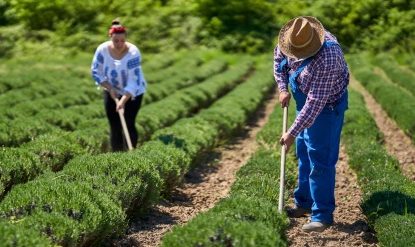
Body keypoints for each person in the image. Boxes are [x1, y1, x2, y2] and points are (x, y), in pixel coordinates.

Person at [274, 16, 349, 232]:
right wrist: (282, 88)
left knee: (320, 159)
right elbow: (278, 63)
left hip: (326, 107)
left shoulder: (329, 56)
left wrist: (291, 132)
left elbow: (315, 103)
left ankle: (322, 215)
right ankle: (303, 203)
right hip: (303, 99)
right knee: (304, 153)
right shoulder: (290, 40)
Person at [91, 19, 146, 151]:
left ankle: (131, 154)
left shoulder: (133, 52)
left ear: (125, 39)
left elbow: (134, 80)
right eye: (116, 41)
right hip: (111, 90)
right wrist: (109, 89)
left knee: (128, 122)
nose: (119, 44)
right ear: (111, 38)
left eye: (122, 41)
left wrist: (122, 101)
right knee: (114, 125)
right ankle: (117, 155)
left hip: (133, 93)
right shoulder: (102, 50)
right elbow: (95, 71)